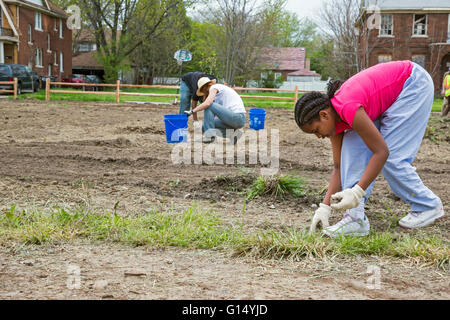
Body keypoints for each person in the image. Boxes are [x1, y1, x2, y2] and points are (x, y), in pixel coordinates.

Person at [294, 60, 444, 238]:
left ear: (324, 115)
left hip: (412, 84)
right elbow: (338, 166)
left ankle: (427, 205)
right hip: (392, 93)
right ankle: (355, 219)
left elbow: (381, 152)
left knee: (392, 158)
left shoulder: (348, 108)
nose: (319, 136)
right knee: (350, 151)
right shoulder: (335, 122)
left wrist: (357, 191)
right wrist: (324, 207)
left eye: (316, 130)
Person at [185, 77, 246, 143]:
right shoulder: (217, 95)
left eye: (203, 91)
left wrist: (192, 111)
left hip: (238, 117)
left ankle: (209, 137)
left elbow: (208, 103)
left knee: (209, 105)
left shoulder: (214, 87)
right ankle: (233, 135)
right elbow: (211, 117)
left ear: (205, 88)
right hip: (233, 119)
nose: (203, 93)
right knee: (205, 126)